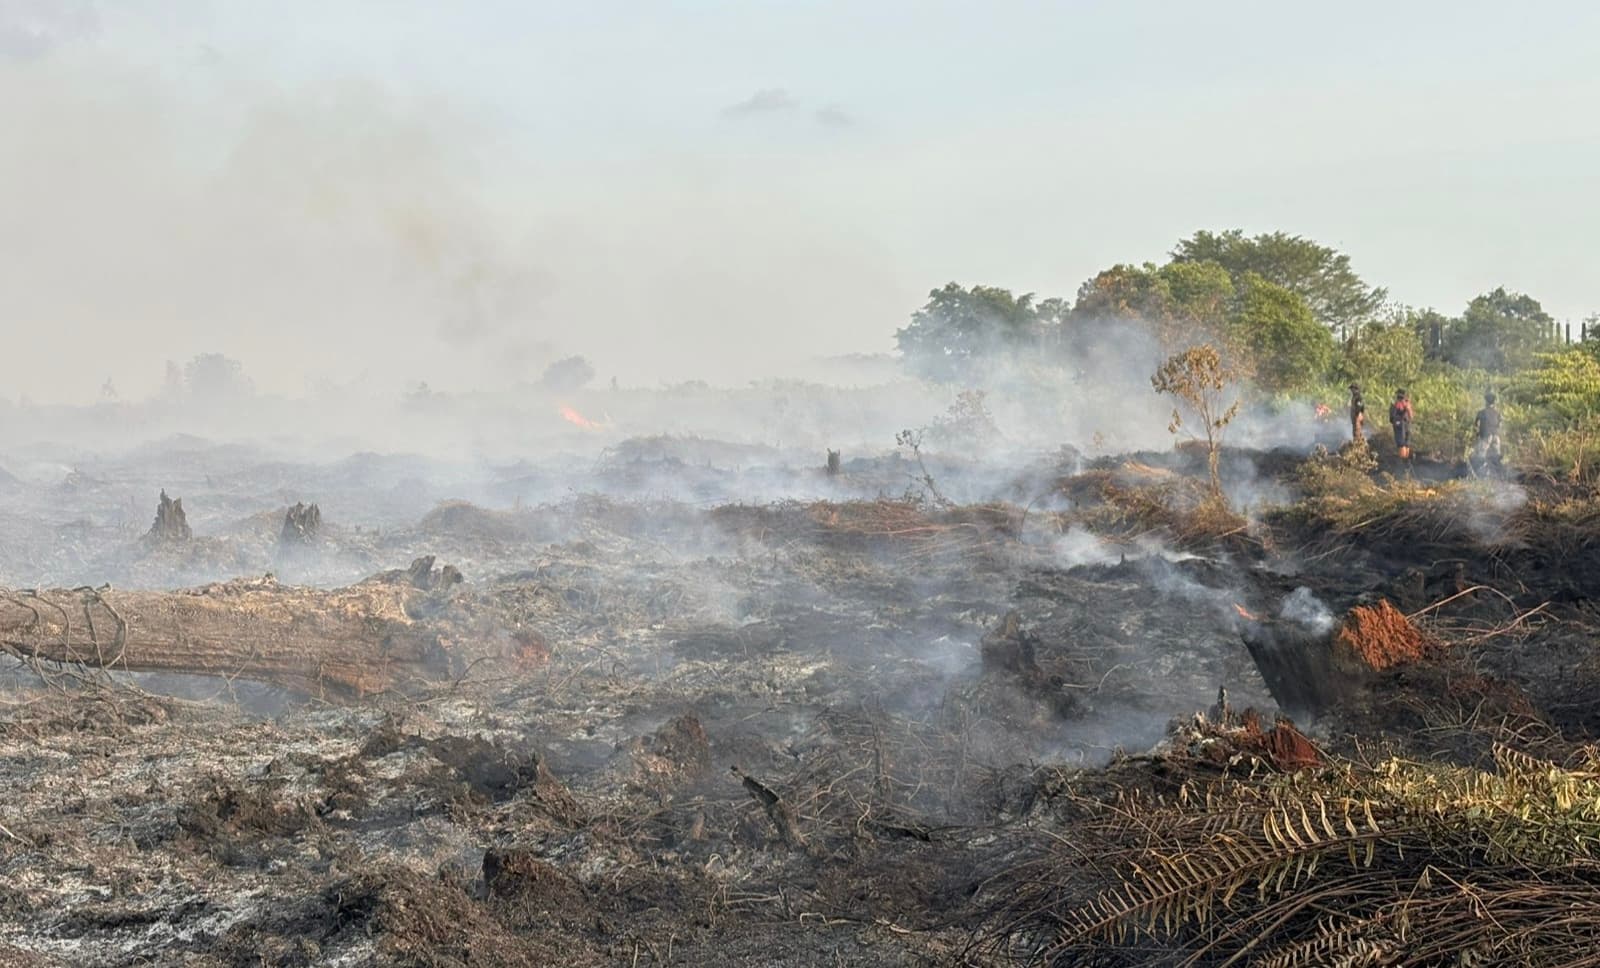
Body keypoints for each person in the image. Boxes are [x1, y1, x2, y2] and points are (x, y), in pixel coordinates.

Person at [1473, 391, 1502, 471]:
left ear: (1486, 402)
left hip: (1485, 436)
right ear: (1494, 402)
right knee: (1496, 456)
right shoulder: (1497, 413)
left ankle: (1480, 472)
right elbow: (1500, 425)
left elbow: (1475, 425)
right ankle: (1498, 472)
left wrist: (1477, 434)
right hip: (1496, 436)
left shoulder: (1481, 412)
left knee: (1481, 456)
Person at [1389, 389, 1414, 458]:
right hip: (1407, 424)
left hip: (1399, 423)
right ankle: (1407, 460)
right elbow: (1411, 416)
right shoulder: (1407, 403)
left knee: (1401, 444)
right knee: (1406, 444)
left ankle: (1402, 460)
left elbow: (1392, 417)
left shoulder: (1397, 403)